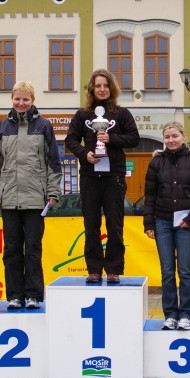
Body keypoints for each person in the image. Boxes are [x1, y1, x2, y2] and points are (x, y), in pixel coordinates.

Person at [0, 81, 62, 310]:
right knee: (11, 250)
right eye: (17, 99)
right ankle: (14, 295)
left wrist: (53, 191)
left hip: (36, 199)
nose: (21, 103)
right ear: (12, 99)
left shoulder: (44, 126)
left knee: (33, 249)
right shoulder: (2, 126)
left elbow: (53, 163)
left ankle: (33, 295)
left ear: (33, 101)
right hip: (9, 199)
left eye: (25, 99)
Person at [65, 69, 140, 284]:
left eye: (105, 86)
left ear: (112, 89)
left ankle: (114, 269)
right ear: (92, 89)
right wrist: (84, 154)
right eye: (98, 86)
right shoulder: (82, 115)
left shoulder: (122, 113)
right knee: (91, 225)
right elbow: (70, 140)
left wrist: (111, 139)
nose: (102, 89)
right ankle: (94, 269)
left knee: (115, 225)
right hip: (89, 175)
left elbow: (134, 138)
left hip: (114, 176)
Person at [143, 122, 190, 331]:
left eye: (174, 136)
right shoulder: (156, 162)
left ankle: (186, 314)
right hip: (162, 221)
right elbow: (150, 195)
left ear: (183, 137)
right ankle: (170, 314)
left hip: (185, 222)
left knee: (185, 270)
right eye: (167, 137)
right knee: (167, 271)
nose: (171, 140)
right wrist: (148, 222)